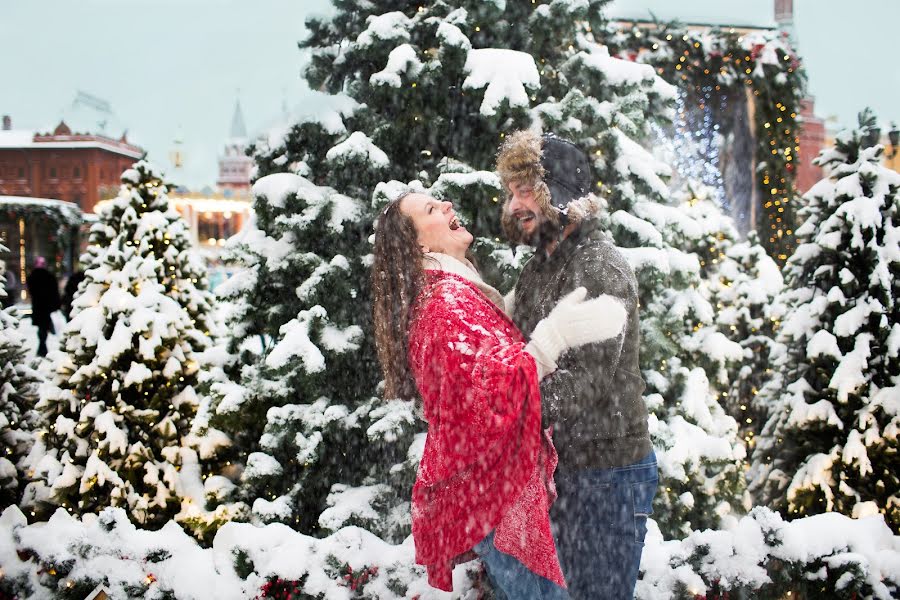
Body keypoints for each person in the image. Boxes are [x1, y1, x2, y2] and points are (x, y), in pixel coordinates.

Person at [371, 192, 627, 598]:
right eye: (432, 210)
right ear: (418, 244)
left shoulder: (453, 293)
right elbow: (485, 397)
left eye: (442, 201)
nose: (448, 206)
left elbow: (468, 373)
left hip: (494, 494)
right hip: (494, 495)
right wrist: (551, 339)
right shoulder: (444, 303)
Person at [496, 131, 658, 599]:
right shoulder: (538, 269)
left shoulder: (598, 266)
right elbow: (518, 351)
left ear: (559, 196)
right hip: (564, 471)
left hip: (609, 475)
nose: (514, 205)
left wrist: (508, 410)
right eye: (511, 193)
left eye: (526, 191)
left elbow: (587, 380)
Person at [25, 256, 61, 357]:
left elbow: (31, 290)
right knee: (43, 326)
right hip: (46, 305)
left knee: (42, 327)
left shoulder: (33, 276)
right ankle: (42, 347)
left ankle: (42, 347)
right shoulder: (49, 276)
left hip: (38, 305)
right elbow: (54, 291)